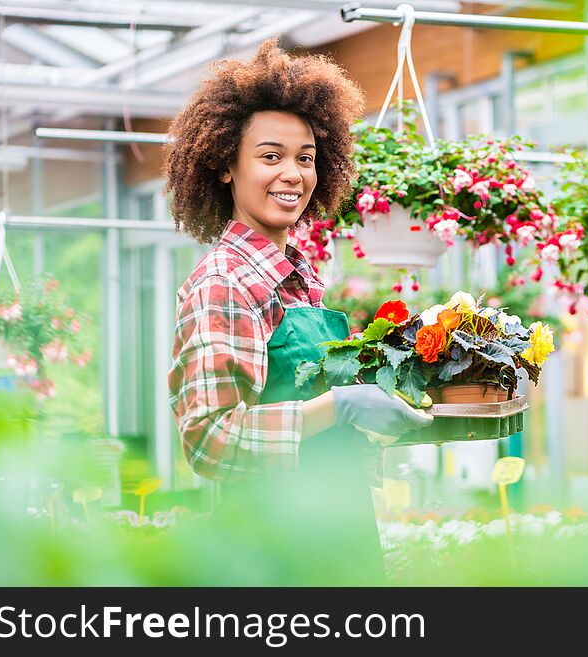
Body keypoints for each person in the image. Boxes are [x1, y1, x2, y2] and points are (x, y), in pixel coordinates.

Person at [165, 41, 432, 583]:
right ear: (223, 166)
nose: (293, 174)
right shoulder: (225, 282)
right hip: (273, 553)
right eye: (270, 156)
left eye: (305, 158)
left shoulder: (300, 275)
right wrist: (340, 407)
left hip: (338, 536)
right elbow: (210, 441)